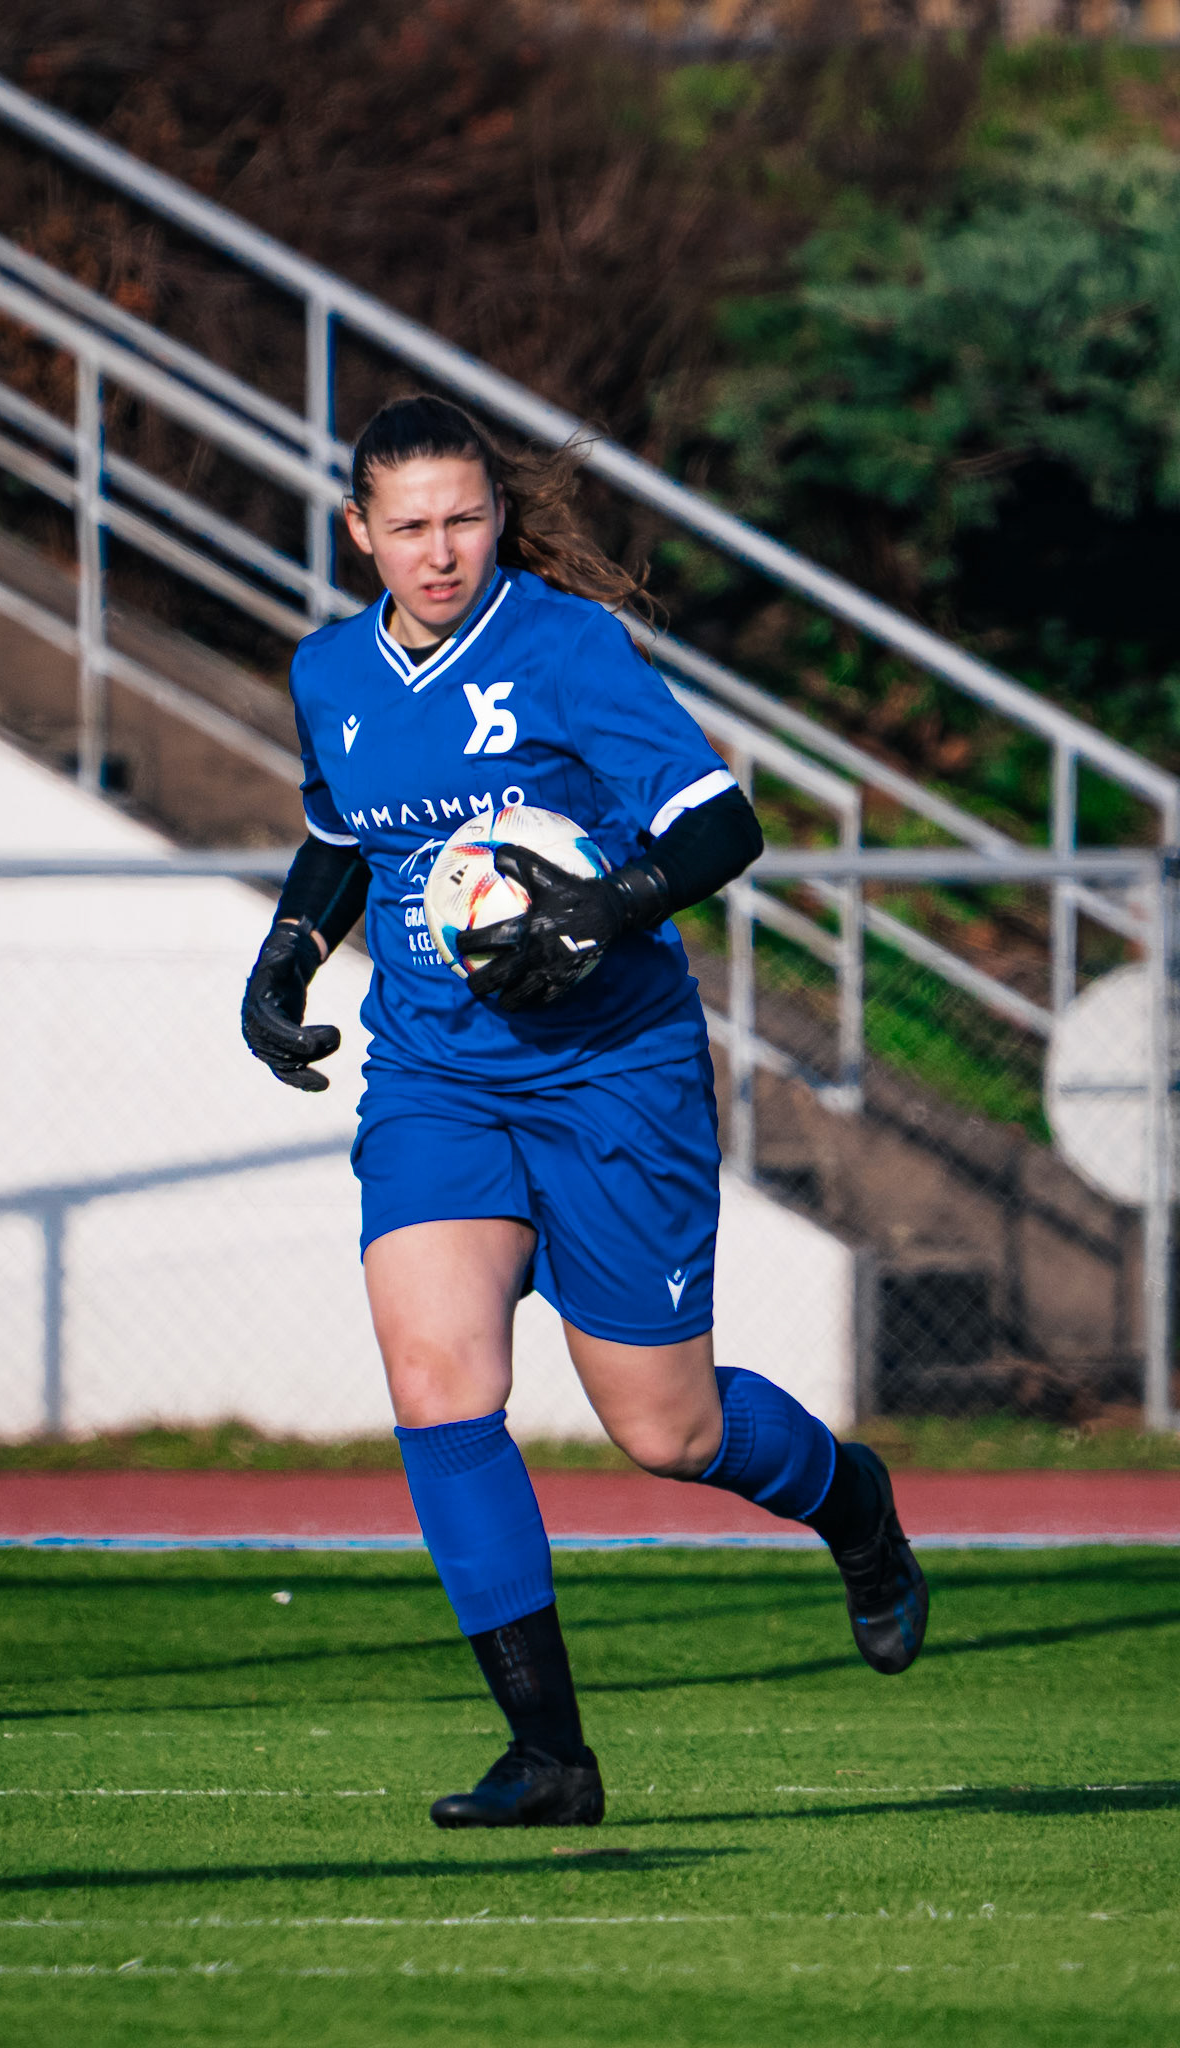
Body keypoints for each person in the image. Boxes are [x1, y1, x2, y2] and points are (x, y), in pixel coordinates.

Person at [241, 394, 927, 1831]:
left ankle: (850, 1506)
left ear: (498, 518)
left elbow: (719, 823)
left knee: (666, 1435)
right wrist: (284, 958)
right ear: (358, 531)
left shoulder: (563, 646)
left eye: (467, 519)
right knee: (438, 1384)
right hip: (435, 1076)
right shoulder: (330, 673)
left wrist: (602, 913)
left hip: (613, 1072)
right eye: (411, 527)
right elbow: (335, 839)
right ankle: (550, 1755)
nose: (442, 553)